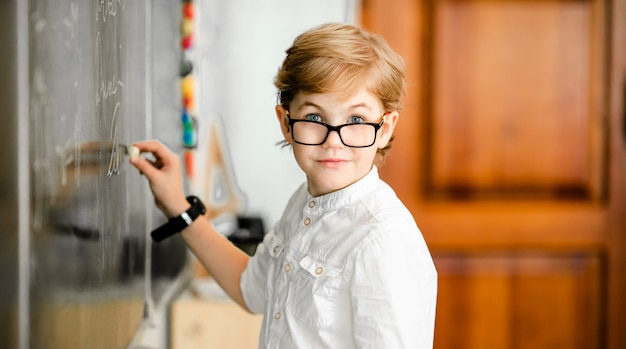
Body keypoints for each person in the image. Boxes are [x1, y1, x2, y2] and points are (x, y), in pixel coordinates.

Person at [130, 22, 437, 348]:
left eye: (357, 119)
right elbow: (250, 288)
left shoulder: (383, 242)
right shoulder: (302, 206)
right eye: (315, 118)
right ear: (285, 123)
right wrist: (178, 205)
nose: (334, 141)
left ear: (385, 127)